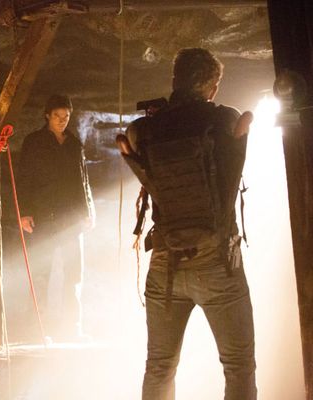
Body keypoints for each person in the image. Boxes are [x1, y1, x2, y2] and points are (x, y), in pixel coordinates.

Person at [117, 48, 256, 399]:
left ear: (175, 80)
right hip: (218, 264)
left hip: (166, 264)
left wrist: (159, 117)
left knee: (160, 366)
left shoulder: (146, 129)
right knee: (238, 366)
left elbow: (131, 137)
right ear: (212, 86)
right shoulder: (223, 119)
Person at [17, 94, 95, 341]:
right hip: (44, 216)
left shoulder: (74, 144)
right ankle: (35, 330)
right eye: (57, 116)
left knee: (73, 275)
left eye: (66, 116)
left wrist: (87, 211)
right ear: (47, 116)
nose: (62, 120)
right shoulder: (34, 142)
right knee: (41, 273)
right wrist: (24, 212)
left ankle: (72, 329)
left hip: (71, 218)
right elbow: (23, 178)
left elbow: (82, 179)